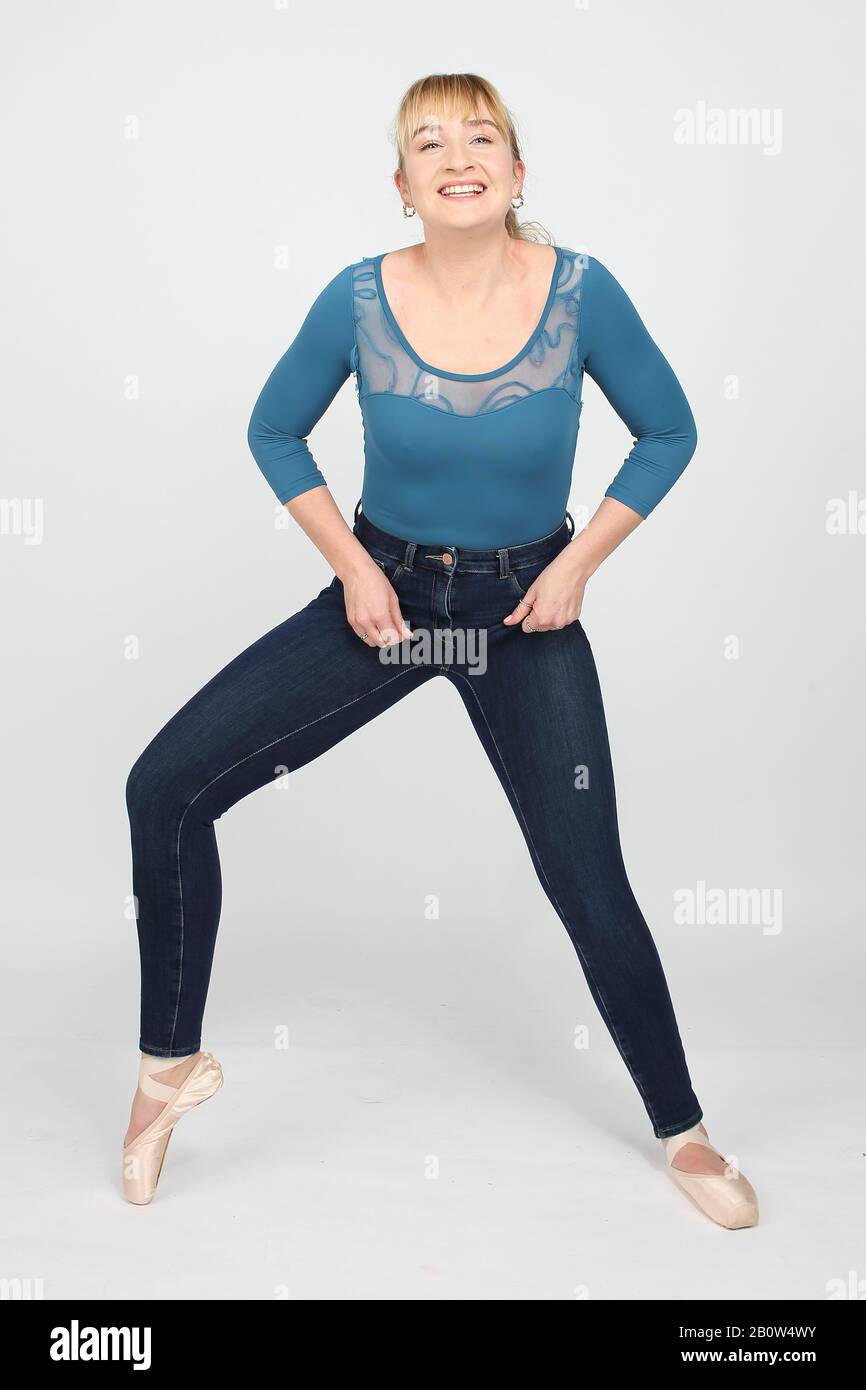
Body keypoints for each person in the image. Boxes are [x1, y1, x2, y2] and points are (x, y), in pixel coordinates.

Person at [122, 71, 758, 1228]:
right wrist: (354, 571)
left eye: (480, 136)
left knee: (585, 878)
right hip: (390, 599)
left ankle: (684, 1132)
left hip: (524, 615)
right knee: (163, 787)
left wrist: (575, 568)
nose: (455, 154)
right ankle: (165, 1072)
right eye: (428, 141)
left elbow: (669, 429)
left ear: (517, 175)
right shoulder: (355, 299)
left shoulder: (580, 292)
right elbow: (274, 428)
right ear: (402, 185)